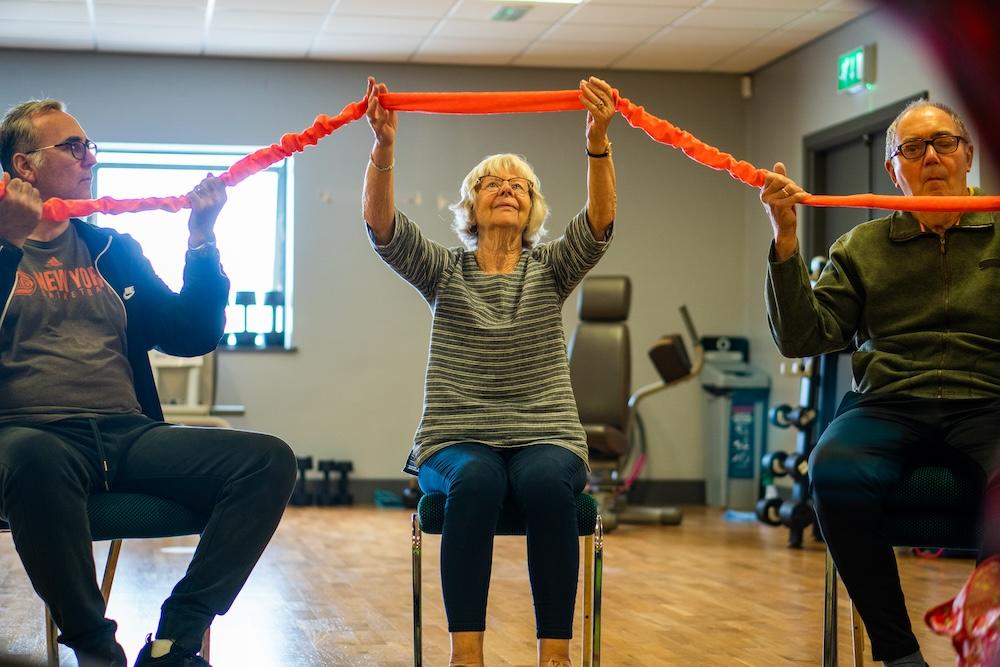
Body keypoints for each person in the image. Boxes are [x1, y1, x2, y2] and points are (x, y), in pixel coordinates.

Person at [0, 99, 297, 667]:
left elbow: (191, 333)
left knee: (267, 460)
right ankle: (94, 648)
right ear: (24, 165)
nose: (89, 156)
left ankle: (174, 641)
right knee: (36, 456)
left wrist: (202, 239)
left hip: (126, 434)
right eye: (73, 146)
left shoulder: (114, 249)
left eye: (91, 145)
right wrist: (5, 246)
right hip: (24, 437)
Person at [362, 75, 616, 667]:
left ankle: (554, 653)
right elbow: (381, 229)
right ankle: (466, 655)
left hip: (545, 435)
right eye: (491, 183)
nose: (506, 189)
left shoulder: (550, 268)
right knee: (476, 482)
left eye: (519, 184)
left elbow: (600, 224)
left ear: (532, 207)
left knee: (547, 484)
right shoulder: (445, 271)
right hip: (456, 439)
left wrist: (598, 141)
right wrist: (383, 150)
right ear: (471, 206)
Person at [759, 100, 999, 667]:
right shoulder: (861, 246)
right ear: (893, 170)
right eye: (912, 148)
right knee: (833, 469)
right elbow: (803, 337)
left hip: (990, 399)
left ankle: (987, 635)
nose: (931, 158)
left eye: (944, 143)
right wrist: (786, 239)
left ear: (968, 155)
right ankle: (899, 655)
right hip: (890, 402)